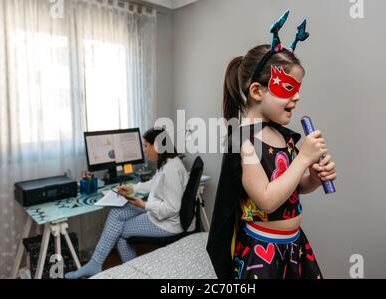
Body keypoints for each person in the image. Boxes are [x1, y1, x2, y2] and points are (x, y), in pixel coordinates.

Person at [206, 10, 337, 279]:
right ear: (257, 91)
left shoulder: (283, 136)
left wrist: (312, 176)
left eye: (299, 88)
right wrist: (302, 159)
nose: (297, 97)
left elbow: (295, 187)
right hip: (262, 253)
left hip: (294, 246)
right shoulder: (243, 141)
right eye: (288, 88)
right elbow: (266, 199)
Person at [66, 128, 188, 279]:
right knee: (117, 212)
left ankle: (130, 273)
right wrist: (132, 188)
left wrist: (143, 205)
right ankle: (96, 264)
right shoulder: (167, 162)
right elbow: (153, 184)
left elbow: (172, 208)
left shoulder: (171, 169)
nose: (144, 150)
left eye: (145, 146)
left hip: (167, 224)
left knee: (120, 233)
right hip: (157, 212)